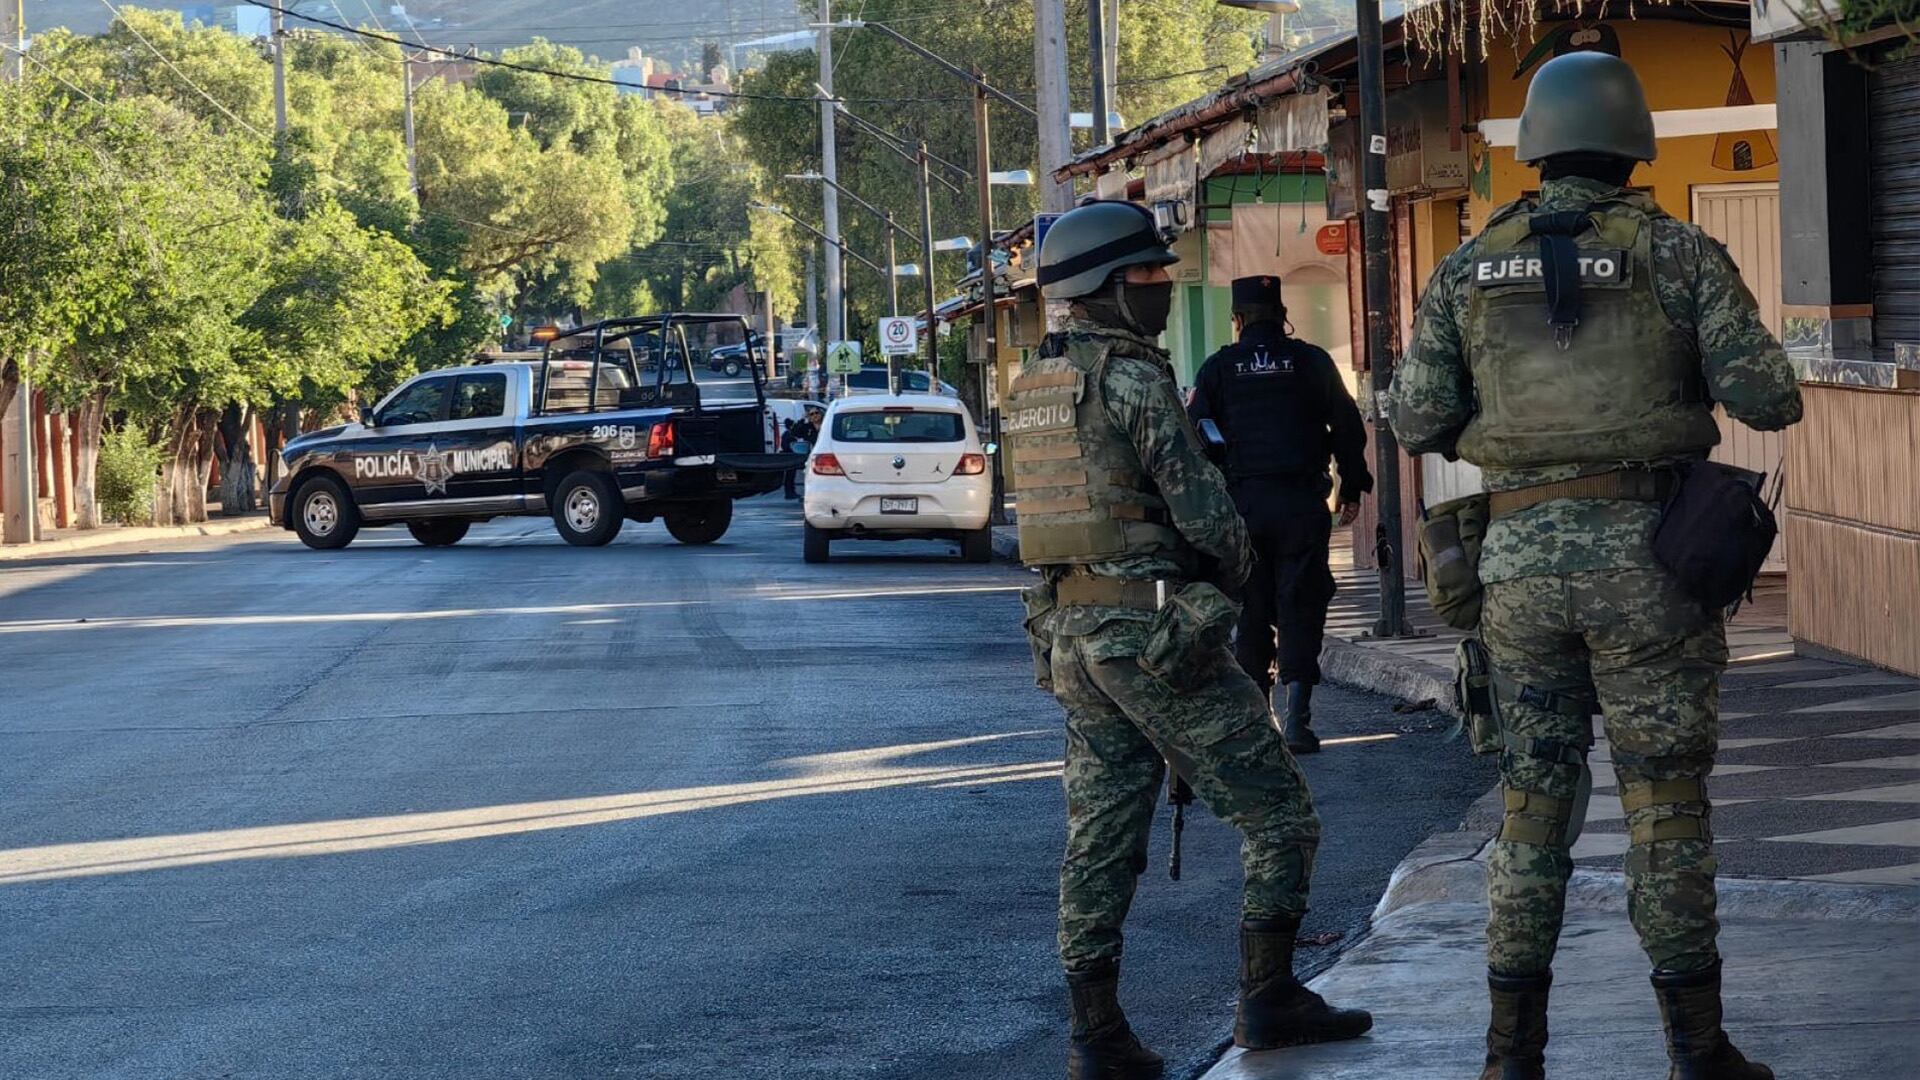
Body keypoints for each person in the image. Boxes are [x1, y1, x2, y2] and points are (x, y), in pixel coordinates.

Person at [1387, 52, 1801, 1080]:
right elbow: (1769, 397)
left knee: (1533, 803)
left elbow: (1416, 417)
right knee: (1663, 803)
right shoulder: (1679, 254)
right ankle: (1698, 1053)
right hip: (1652, 568)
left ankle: (1509, 1056)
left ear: (1533, 146)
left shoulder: (1468, 267)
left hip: (1516, 572)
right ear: (1632, 148)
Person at [1009, 200, 1371, 1080]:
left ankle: (1096, 1039)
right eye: (1150, 275)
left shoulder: (1035, 385)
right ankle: (1270, 996)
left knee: (1098, 836)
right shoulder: (1133, 378)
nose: (1165, 288)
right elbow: (1209, 517)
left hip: (1069, 640)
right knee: (1280, 815)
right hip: (1152, 636)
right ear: (1109, 286)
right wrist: (1236, 578)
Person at [1188, 275, 1372, 754]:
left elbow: (1197, 433)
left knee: (1252, 607)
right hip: (1301, 505)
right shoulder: (1311, 361)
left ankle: (1260, 721)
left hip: (1244, 507)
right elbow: (1348, 425)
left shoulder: (1219, 368)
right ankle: (1299, 719)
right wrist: (1352, 486)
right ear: (1281, 314)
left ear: (1238, 320)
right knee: (1301, 603)